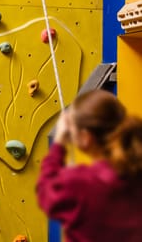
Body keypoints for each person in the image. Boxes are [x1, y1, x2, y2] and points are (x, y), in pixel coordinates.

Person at [36, 89, 142, 242]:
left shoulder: (81, 183)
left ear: (86, 138)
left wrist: (58, 144)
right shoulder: (136, 171)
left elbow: (46, 192)